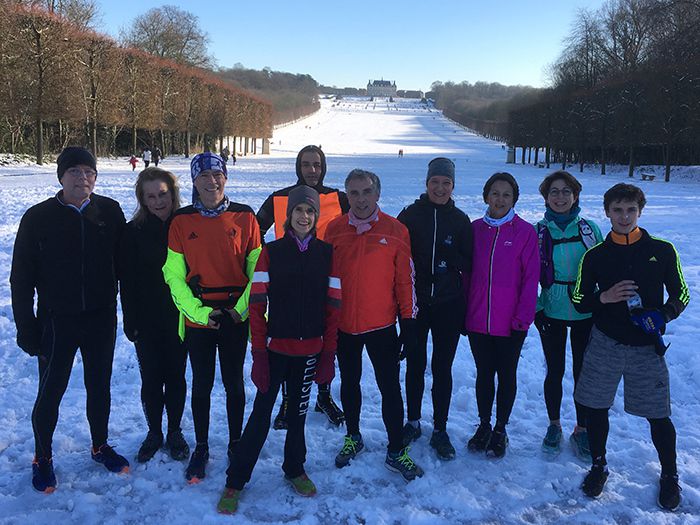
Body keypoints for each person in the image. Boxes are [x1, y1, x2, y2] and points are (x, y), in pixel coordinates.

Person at [10, 146, 128, 493]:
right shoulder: (38, 217)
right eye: (74, 171)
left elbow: (127, 265)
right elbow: (21, 277)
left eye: (89, 171)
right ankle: (42, 457)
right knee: (50, 390)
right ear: (60, 177)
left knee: (99, 385)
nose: (83, 178)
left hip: (100, 316)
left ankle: (100, 444)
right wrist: (25, 326)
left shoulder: (110, 211)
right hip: (56, 319)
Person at [217, 186, 341, 514]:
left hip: (310, 351)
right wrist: (258, 354)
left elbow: (333, 307)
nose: (304, 216)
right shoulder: (271, 251)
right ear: (289, 217)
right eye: (299, 211)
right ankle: (235, 480)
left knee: (298, 416)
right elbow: (256, 306)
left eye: (310, 212)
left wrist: (328, 353)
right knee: (260, 417)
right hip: (276, 350)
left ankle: (294, 468)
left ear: (316, 217)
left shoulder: (327, 254)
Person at [571, 183, 689, 510]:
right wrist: (604, 298)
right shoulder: (595, 256)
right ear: (607, 212)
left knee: (658, 414)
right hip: (605, 343)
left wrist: (663, 315)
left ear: (640, 211)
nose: (624, 216)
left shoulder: (662, 250)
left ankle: (669, 475)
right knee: (594, 406)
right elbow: (579, 300)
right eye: (618, 210)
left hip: (645, 347)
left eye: (631, 210)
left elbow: (682, 295)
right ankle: (599, 465)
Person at [162, 152, 261, 484]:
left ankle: (236, 443)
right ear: (194, 181)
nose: (211, 181)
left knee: (234, 382)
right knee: (201, 383)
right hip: (199, 317)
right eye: (204, 176)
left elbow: (258, 273)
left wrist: (239, 311)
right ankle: (201, 447)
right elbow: (174, 276)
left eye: (217, 175)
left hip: (235, 315)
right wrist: (201, 314)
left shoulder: (245, 217)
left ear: (225, 178)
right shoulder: (181, 221)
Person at [325, 169, 424, 482]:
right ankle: (353, 436)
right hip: (344, 325)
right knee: (350, 384)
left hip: (381, 325)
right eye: (354, 193)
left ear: (377, 194)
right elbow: (325, 278)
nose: (361, 199)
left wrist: (408, 322)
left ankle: (396, 449)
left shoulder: (395, 230)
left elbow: (404, 281)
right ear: (347, 196)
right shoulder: (334, 229)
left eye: (366, 191)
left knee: (389, 388)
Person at [257, 145, 348, 428]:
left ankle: (323, 394)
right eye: (306, 164)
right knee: (290, 342)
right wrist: (269, 259)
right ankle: (287, 401)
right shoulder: (280, 197)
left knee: (326, 341)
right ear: (298, 167)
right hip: (290, 280)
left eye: (317, 165)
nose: (312, 170)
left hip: (326, 277)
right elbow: (255, 228)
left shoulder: (339, 198)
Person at [397, 157, 472, 460]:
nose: (440, 188)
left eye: (446, 183)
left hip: (448, 305)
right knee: (415, 364)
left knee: (442, 367)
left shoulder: (461, 220)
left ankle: (440, 429)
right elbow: (397, 259)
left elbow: (469, 265)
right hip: (416, 305)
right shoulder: (410, 215)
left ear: (453, 186)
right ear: (426, 184)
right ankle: (413, 421)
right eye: (435, 182)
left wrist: (450, 264)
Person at [464, 172, 539, 458]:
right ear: (486, 196)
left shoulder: (524, 232)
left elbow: (531, 279)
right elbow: (467, 274)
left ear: (514, 199)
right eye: (495, 193)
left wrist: (523, 319)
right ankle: (483, 425)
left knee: (506, 375)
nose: (500, 199)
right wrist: (465, 313)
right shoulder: (474, 230)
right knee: (484, 374)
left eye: (506, 194)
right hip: (477, 320)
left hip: (510, 324)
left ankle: (500, 429)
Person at [119, 167, 189, 463]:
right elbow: (127, 280)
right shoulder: (131, 231)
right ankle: (154, 432)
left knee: (176, 376)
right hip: (147, 318)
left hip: (180, 316)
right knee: (151, 378)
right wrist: (130, 319)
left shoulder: (187, 225)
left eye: (163, 194)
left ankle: (174, 431)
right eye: (151, 197)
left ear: (172, 194)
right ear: (142, 200)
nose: (158, 201)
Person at [534, 171, 603, 458]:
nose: (560, 197)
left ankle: (582, 429)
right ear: (546, 197)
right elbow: (527, 274)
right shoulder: (537, 231)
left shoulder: (590, 229)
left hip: (585, 311)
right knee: (555, 371)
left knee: (582, 373)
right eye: (554, 192)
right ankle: (554, 425)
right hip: (551, 309)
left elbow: (604, 268)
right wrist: (536, 307)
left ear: (575, 196)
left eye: (565, 191)